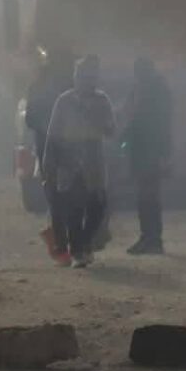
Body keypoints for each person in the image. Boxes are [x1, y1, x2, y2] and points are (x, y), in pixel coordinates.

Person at [43, 55, 115, 268]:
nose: (83, 80)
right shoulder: (64, 100)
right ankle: (77, 251)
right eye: (80, 75)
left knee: (97, 205)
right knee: (74, 207)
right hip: (69, 155)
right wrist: (49, 163)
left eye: (88, 76)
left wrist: (96, 119)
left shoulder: (101, 100)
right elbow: (53, 134)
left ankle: (84, 243)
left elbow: (111, 130)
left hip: (93, 156)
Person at [25, 48, 75, 266]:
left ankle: (62, 246)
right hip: (61, 150)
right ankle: (65, 246)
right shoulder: (65, 88)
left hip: (52, 149)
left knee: (57, 198)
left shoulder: (38, 88)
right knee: (64, 197)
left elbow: (30, 120)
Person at [121, 58, 173, 255]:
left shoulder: (154, 91)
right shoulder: (146, 89)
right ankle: (149, 237)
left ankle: (152, 239)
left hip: (149, 149)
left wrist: (126, 134)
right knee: (145, 196)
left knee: (148, 196)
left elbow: (152, 120)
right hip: (143, 148)